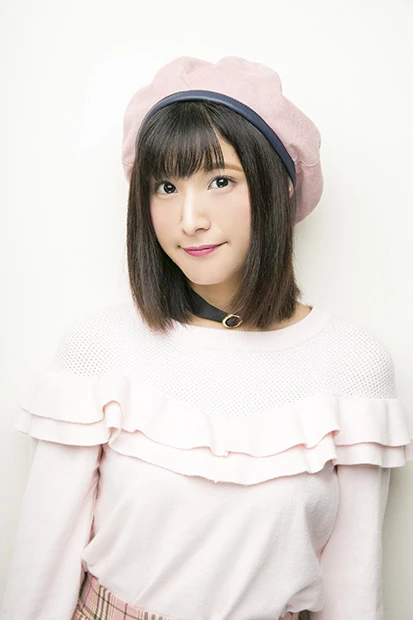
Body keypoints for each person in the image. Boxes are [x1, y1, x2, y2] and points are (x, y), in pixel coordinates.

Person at [1, 55, 412, 620]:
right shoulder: (99, 347)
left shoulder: (353, 365)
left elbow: (354, 589)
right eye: (166, 186)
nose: (189, 218)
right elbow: (42, 569)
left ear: (277, 186)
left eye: (220, 180)